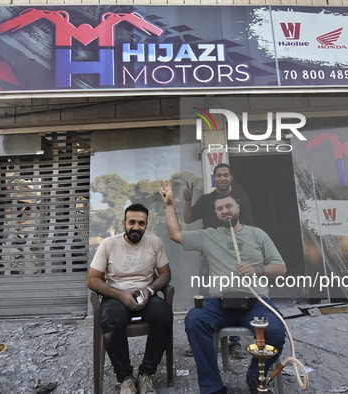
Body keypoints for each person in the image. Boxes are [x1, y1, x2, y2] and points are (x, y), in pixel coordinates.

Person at [160, 181, 287, 394]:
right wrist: (170, 203)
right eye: (220, 209)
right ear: (216, 213)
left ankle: (256, 376)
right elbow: (175, 234)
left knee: (276, 331)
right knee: (194, 319)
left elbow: (281, 267)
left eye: (228, 206)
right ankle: (213, 386)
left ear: (237, 208)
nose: (224, 211)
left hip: (256, 302)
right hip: (219, 303)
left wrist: (257, 270)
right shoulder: (210, 235)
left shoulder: (258, 234)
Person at [87, 203, 173, 394]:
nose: (136, 227)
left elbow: (165, 274)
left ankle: (147, 374)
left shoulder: (154, 242)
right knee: (111, 321)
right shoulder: (108, 244)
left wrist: (149, 291)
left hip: (145, 295)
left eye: (141, 223)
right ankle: (125, 377)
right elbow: (92, 280)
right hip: (115, 296)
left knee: (165, 316)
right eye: (132, 222)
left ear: (146, 225)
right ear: (124, 223)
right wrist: (120, 295)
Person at [183, 162, 253, 359]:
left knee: (234, 296)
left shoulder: (241, 200)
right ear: (214, 179)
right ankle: (205, 340)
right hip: (209, 255)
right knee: (205, 296)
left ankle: (235, 343)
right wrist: (187, 200)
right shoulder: (206, 200)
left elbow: (248, 228)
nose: (222, 178)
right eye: (218, 175)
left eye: (226, 175)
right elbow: (188, 219)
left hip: (233, 255)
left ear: (231, 178)